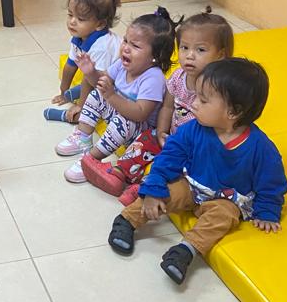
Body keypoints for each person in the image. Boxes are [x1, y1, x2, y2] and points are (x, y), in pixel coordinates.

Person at [108, 58, 287, 286]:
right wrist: (153, 190)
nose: (193, 103)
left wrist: (267, 212)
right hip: (190, 184)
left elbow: (272, 183)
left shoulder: (261, 148)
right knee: (164, 191)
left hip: (225, 199)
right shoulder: (192, 129)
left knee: (225, 216)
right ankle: (126, 220)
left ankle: (186, 250)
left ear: (233, 112)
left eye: (203, 100)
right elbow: (168, 158)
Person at [83, 11, 235, 202]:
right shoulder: (178, 77)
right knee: (146, 140)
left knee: (182, 168)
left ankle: (144, 188)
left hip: (197, 144)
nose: (189, 56)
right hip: (171, 136)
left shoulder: (219, 88)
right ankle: (119, 173)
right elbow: (168, 107)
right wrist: (162, 131)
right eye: (184, 48)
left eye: (200, 50)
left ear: (220, 54)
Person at [54, 8, 173, 183]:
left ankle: (91, 160)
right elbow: (102, 83)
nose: (126, 48)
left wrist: (111, 96)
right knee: (97, 94)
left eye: (135, 46)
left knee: (125, 120)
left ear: (155, 56)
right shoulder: (121, 65)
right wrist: (91, 72)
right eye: (125, 41)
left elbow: (140, 114)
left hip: (140, 130)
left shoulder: (153, 78)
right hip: (120, 114)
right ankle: (83, 137)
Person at [43, 0, 122, 124]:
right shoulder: (79, 37)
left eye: (80, 19)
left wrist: (80, 107)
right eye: (70, 15)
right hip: (97, 77)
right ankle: (74, 92)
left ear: (100, 24)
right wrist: (63, 92)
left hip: (116, 83)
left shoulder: (102, 47)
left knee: (92, 103)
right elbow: (70, 65)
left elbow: (94, 80)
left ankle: (70, 116)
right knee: (86, 80)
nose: (72, 22)